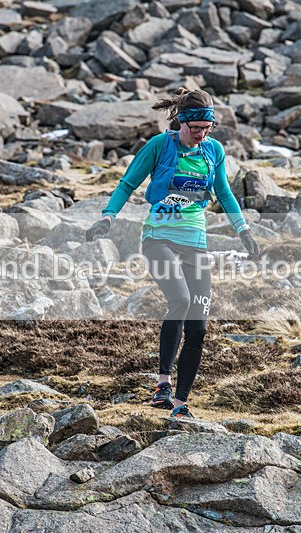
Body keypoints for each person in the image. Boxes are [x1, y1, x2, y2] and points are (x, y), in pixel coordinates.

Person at [85, 88, 259, 418]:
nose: (201, 134)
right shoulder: (159, 146)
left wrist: (244, 231)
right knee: (179, 299)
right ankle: (162, 384)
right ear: (182, 121)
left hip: (195, 242)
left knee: (199, 326)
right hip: (158, 240)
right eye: (196, 129)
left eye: (207, 128)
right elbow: (127, 184)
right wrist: (108, 217)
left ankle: (180, 404)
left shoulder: (213, 151)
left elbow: (223, 192)